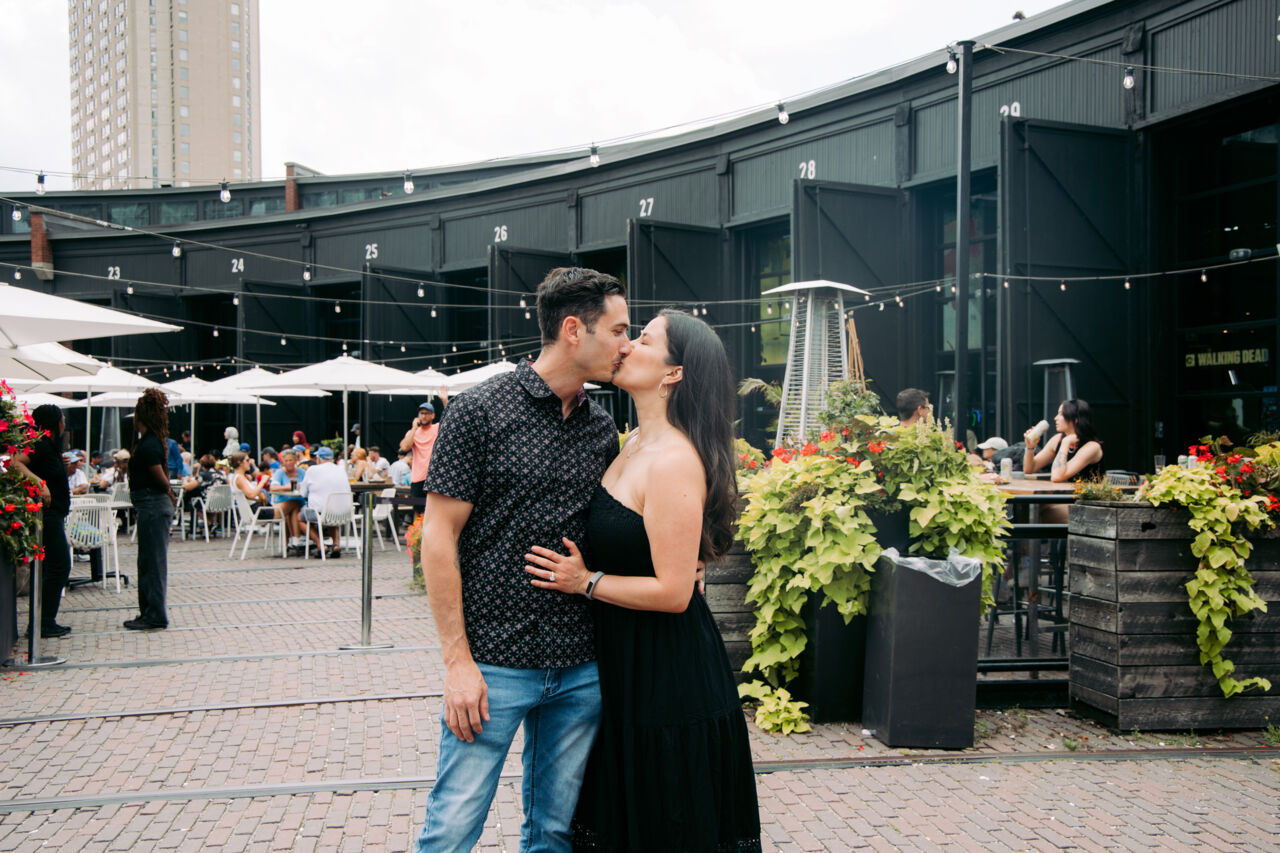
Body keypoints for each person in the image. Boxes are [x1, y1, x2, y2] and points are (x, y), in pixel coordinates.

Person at [524, 309, 761, 851]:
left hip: (665, 675)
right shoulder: (631, 442)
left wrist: (585, 581)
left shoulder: (673, 458)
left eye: (644, 340)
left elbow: (674, 594)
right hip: (628, 667)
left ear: (673, 373)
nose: (627, 345)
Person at [413, 267, 631, 852]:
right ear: (573, 330)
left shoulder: (602, 427)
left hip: (580, 666)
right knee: (452, 828)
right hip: (494, 665)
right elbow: (438, 539)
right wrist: (458, 663)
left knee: (554, 833)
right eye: (617, 330)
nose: (626, 345)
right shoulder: (480, 411)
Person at [9, 404, 74, 639]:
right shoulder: (40, 444)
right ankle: (43, 622)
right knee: (59, 566)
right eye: (62, 419)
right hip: (47, 516)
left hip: (54, 514)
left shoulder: (49, 447)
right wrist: (40, 484)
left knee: (52, 567)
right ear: (53, 423)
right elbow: (15, 463)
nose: (64, 423)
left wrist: (60, 468)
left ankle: (43, 621)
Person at [125, 388, 177, 630]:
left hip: (153, 505)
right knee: (147, 562)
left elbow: (159, 476)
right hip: (150, 505)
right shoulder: (150, 441)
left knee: (153, 563)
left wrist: (169, 493)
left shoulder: (149, 444)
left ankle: (155, 615)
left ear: (141, 416)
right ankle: (148, 612)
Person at [1024, 399, 1103, 483]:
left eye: (1061, 414)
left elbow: (1057, 476)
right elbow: (1029, 469)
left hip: (1086, 492)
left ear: (1075, 419)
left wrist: (1065, 443)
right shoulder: (1057, 439)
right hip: (1065, 491)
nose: (1055, 418)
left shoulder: (1092, 447)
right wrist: (1030, 448)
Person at [298, 445, 351, 558]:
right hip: (343, 512)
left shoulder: (312, 470)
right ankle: (335, 544)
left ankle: (320, 545)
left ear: (318, 459)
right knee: (331, 513)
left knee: (300, 518)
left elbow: (303, 493)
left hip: (321, 513)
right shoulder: (341, 469)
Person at [401, 400, 442, 501]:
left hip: (434, 477)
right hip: (418, 478)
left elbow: (451, 420)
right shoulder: (413, 432)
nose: (423, 416)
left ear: (433, 415)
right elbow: (405, 447)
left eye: (427, 413)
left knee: (433, 508)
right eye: (421, 413)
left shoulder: (436, 428)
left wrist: (444, 400)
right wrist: (414, 428)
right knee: (418, 508)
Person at [269, 448, 307, 556]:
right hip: (284, 502)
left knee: (294, 507)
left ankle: (292, 543)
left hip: (300, 502)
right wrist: (288, 487)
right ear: (283, 462)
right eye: (286, 461)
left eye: (291, 460)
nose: (288, 463)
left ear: (295, 461)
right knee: (293, 507)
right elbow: (273, 488)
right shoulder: (279, 473)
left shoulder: (302, 472)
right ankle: (296, 541)